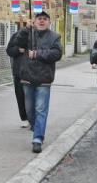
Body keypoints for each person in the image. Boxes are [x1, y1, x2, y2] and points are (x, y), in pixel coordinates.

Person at [14, 11, 63, 153]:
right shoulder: (28, 33)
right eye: (39, 19)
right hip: (27, 77)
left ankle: (38, 139)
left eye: (45, 19)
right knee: (29, 110)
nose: (41, 21)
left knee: (41, 109)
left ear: (49, 22)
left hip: (44, 79)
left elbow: (57, 53)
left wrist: (38, 54)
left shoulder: (54, 37)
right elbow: (17, 43)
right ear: (34, 21)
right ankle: (36, 126)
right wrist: (25, 29)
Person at [6, 27, 28, 126]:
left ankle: (33, 119)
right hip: (18, 71)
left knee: (31, 97)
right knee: (20, 96)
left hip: (32, 72)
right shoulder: (16, 35)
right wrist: (18, 50)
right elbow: (9, 50)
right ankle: (26, 119)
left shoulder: (37, 35)